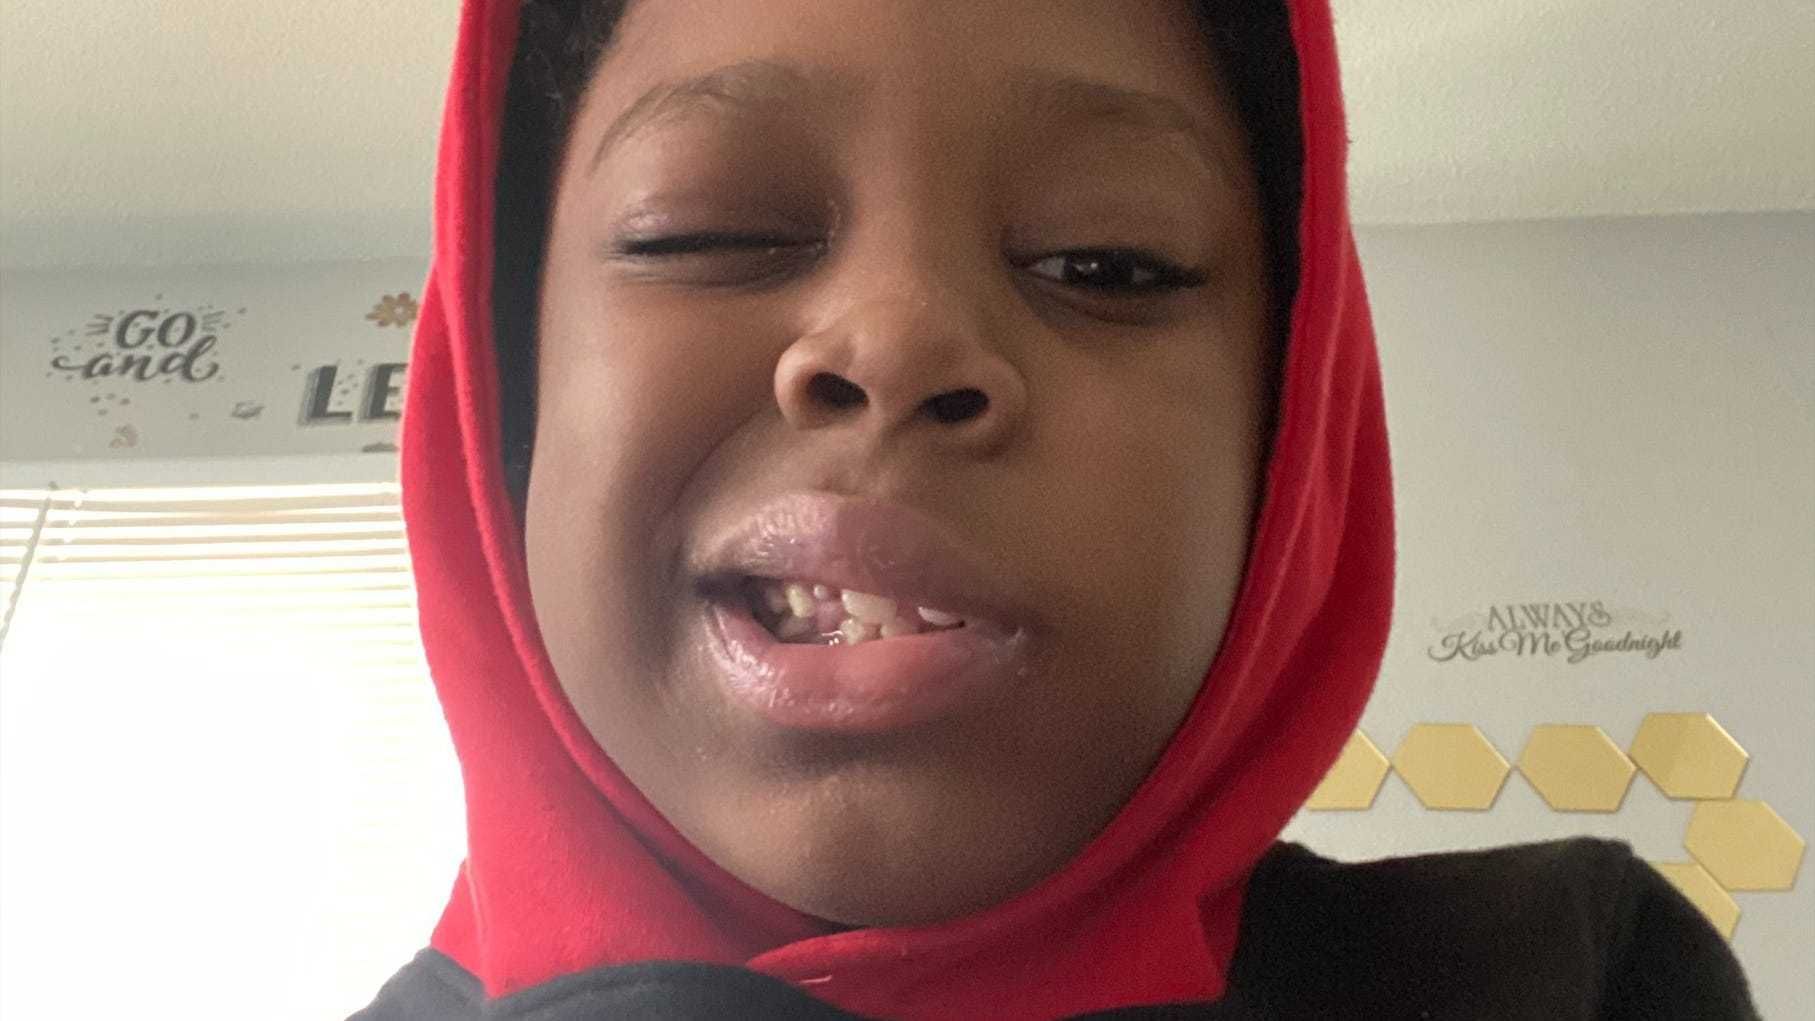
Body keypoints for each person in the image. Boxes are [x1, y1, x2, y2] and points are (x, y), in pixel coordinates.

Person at [355, 1, 1758, 1017]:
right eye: (709, 233)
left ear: (1286, 431)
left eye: (1107, 261)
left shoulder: (1569, 981)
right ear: (507, 386)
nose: (895, 340)